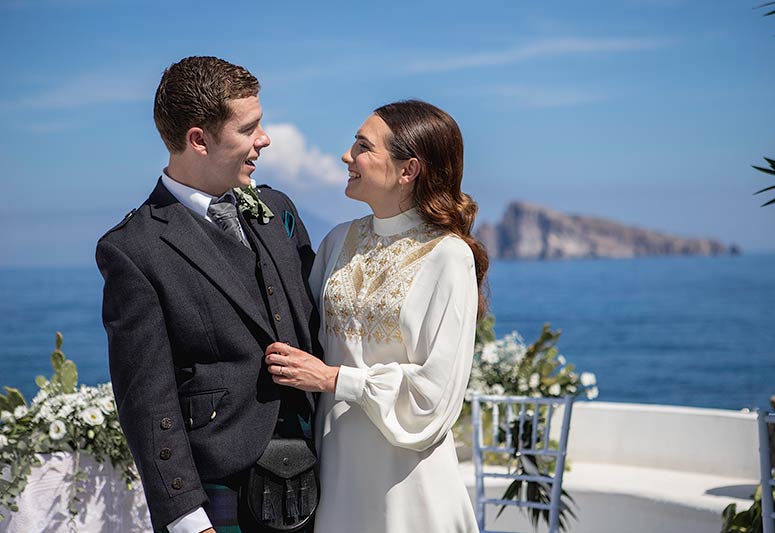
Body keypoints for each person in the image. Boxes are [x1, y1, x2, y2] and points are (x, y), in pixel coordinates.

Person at [96, 56, 320, 533]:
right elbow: (145, 397)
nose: (265, 139)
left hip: (320, 472)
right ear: (199, 139)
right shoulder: (133, 249)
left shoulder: (277, 209)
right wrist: (185, 519)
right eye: (249, 128)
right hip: (223, 493)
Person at [265, 100, 488, 532]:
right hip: (337, 483)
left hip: (409, 486)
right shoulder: (336, 241)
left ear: (409, 170)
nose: (347, 156)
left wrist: (334, 379)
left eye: (363, 147)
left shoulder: (448, 257)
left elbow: (434, 396)